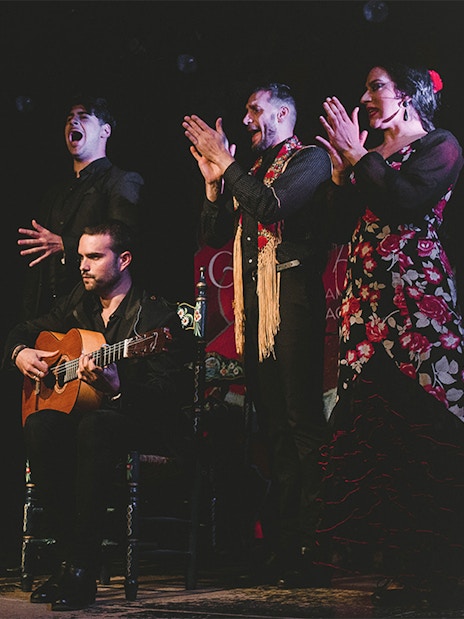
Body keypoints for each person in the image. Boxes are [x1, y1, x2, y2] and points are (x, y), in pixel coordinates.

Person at [315, 62, 464, 607]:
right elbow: (338, 228)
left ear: (408, 97)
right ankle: (403, 570)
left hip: (415, 310)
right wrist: (339, 176)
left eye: (377, 86)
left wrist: (359, 159)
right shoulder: (368, 161)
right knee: (380, 437)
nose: (366, 96)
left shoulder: (439, 145)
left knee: (426, 429)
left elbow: (405, 200)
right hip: (366, 311)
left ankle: (438, 572)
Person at [183, 83, 332, 587]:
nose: (247, 120)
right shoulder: (254, 172)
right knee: (273, 429)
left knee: (300, 422)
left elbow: (270, 208)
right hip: (258, 310)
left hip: (291, 302)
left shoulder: (309, 159)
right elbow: (214, 235)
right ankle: (287, 546)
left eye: (255, 109)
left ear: (285, 112)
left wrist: (228, 167)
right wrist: (212, 182)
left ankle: (322, 541)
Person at [3, 220, 192, 611]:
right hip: (86, 424)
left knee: (97, 424)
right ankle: (65, 560)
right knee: (39, 424)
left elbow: (168, 396)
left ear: (123, 259)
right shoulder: (78, 302)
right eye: (80, 257)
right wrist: (19, 351)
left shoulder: (156, 321)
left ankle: (82, 567)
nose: (82, 266)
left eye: (93, 257)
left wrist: (117, 387)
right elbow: (27, 328)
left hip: (140, 424)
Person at [17, 95, 144, 320]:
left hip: (91, 312)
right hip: (50, 314)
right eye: (69, 118)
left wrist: (65, 245)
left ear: (105, 131)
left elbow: (125, 238)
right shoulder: (55, 193)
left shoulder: (121, 181)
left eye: (83, 117)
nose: (73, 123)